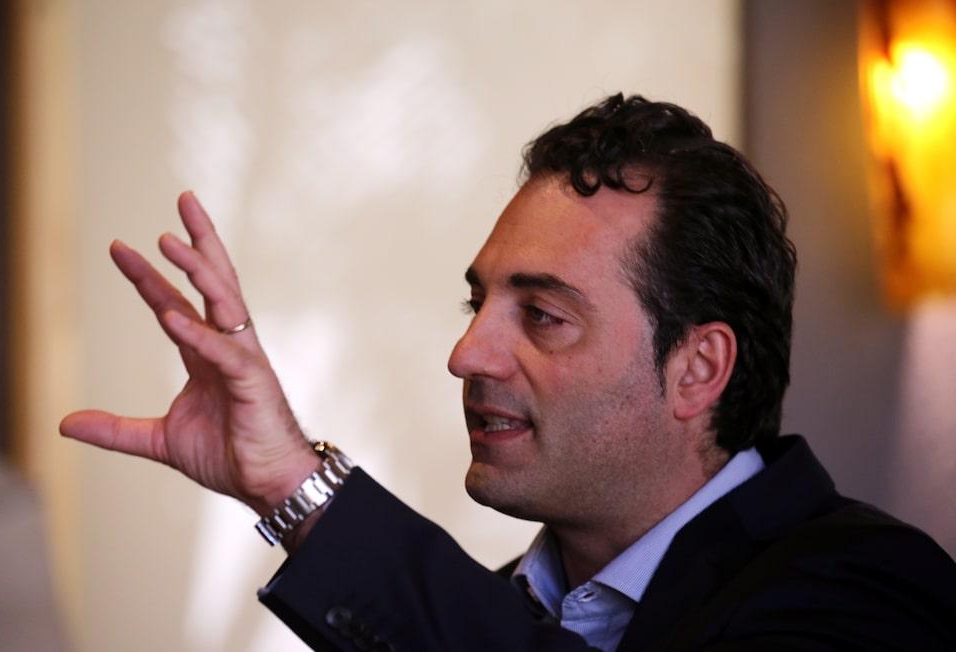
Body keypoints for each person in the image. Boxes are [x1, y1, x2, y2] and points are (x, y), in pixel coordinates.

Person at [60, 94, 956, 651]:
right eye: (477, 303)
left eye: (543, 316)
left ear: (697, 368)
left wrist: (301, 488)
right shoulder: (482, 613)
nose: (468, 355)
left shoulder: (867, 591)